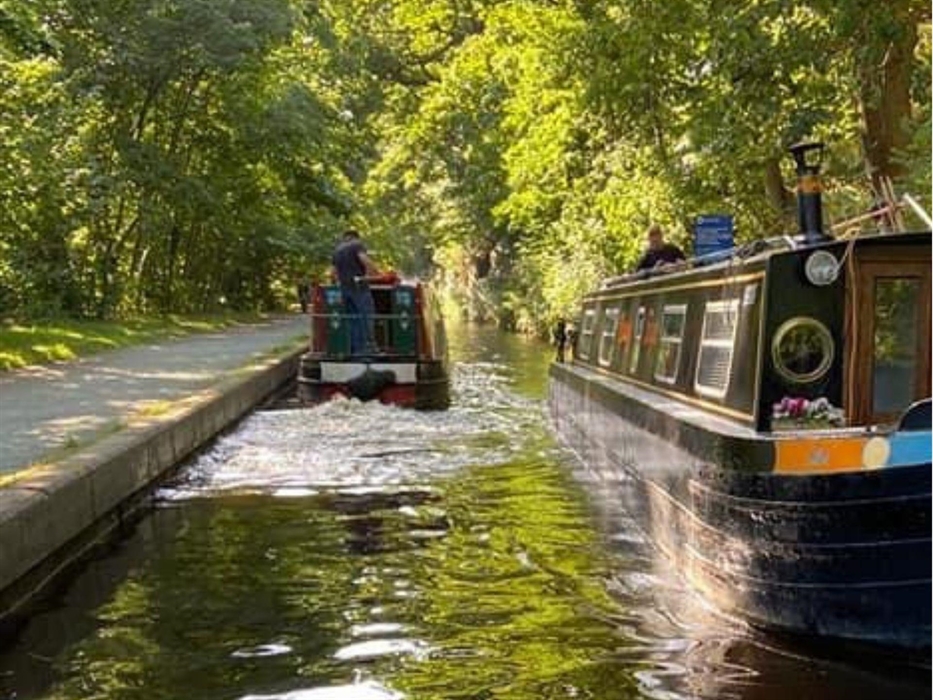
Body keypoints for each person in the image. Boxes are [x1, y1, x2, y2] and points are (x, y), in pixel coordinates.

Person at [331, 229, 381, 354]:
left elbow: (333, 273)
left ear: (345, 237)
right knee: (367, 316)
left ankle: (355, 349)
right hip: (359, 288)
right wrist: (373, 274)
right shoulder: (357, 245)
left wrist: (340, 284)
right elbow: (366, 261)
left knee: (353, 319)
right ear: (356, 237)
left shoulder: (337, 250)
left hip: (345, 290)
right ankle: (369, 348)